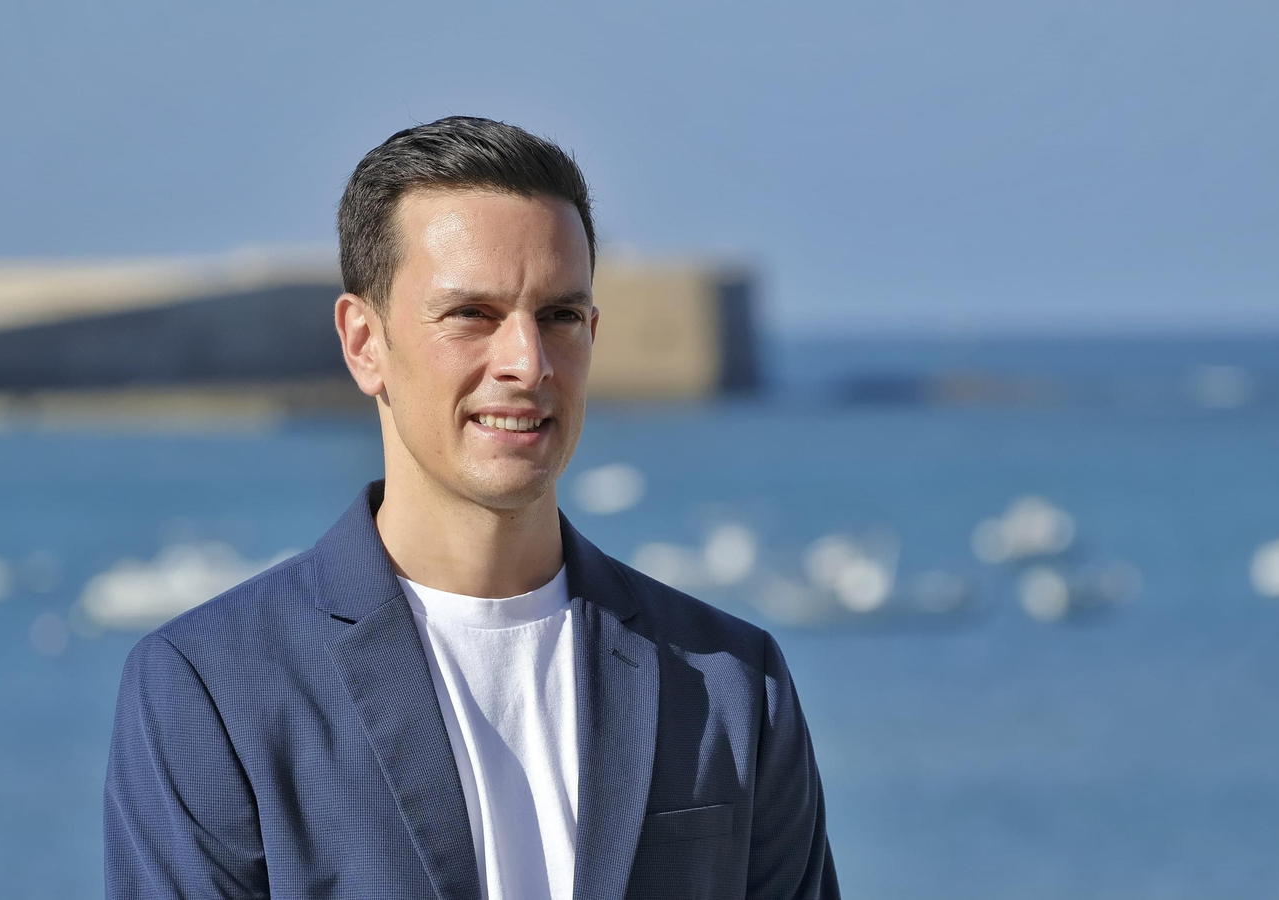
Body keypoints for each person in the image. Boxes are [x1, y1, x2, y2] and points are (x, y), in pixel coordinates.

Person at [103, 116, 839, 900]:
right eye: (471, 315)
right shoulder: (208, 689)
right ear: (364, 343)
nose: (527, 363)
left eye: (559, 316)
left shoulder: (729, 681)